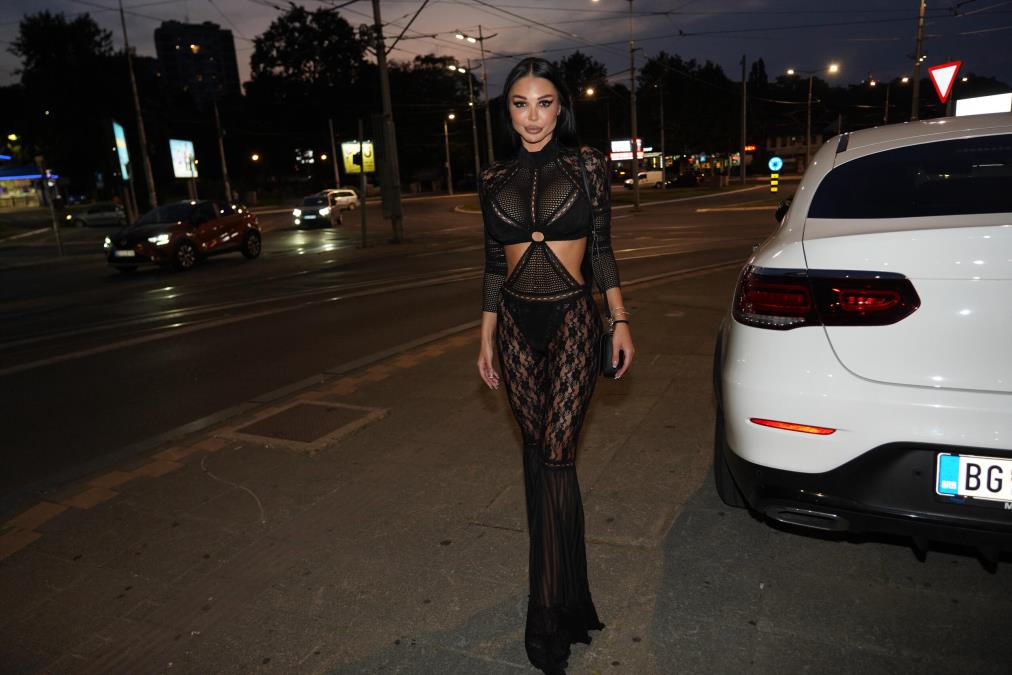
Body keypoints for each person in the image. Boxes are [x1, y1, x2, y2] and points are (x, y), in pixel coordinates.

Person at [475, 57, 634, 674]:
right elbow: (494, 262)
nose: (533, 116)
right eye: (520, 104)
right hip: (516, 325)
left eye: (544, 103)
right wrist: (486, 336)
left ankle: (548, 612)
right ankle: (564, 594)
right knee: (537, 457)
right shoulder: (493, 177)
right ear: (507, 111)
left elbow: (602, 248)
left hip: (572, 320)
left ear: (561, 108)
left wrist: (619, 320)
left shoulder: (587, 165)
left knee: (559, 458)